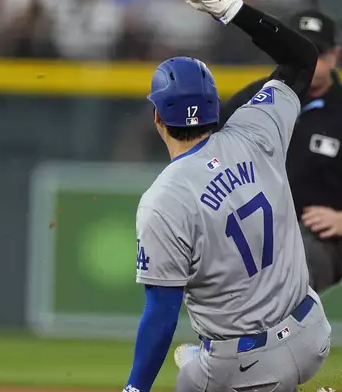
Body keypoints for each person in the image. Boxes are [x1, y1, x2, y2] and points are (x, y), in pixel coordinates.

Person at [122, 1, 331, 392]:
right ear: (214, 107)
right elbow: (303, 58)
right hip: (311, 334)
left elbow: (161, 315)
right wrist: (233, 9)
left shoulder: (164, 199)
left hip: (245, 366)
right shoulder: (256, 129)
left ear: (157, 118)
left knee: (191, 377)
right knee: (195, 360)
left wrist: (134, 389)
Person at [218, 9, 342, 294]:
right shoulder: (257, 97)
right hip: (253, 230)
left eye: (317, 52)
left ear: (335, 55)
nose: (310, 60)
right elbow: (209, 145)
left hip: (315, 238)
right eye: (300, 49)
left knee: (287, 280)